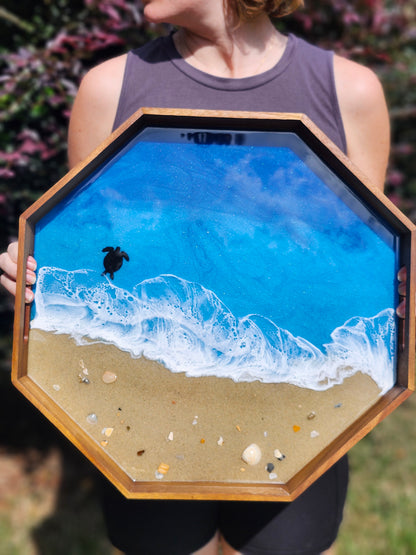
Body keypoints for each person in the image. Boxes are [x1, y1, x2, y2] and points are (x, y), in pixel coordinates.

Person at [0, 0, 407, 553]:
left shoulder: (348, 93)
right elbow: (87, 250)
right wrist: (36, 274)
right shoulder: (108, 89)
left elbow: (365, 262)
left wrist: (401, 288)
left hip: (301, 401)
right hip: (143, 403)